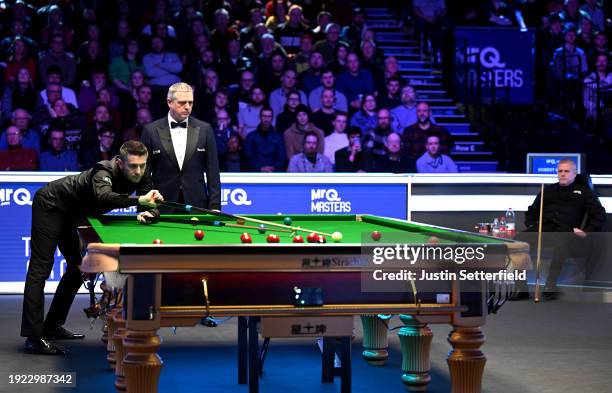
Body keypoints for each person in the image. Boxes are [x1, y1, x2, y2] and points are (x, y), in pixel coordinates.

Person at [21, 141, 163, 355]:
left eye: (142, 166)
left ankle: (52, 326)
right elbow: (103, 197)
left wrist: (150, 212)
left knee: (78, 269)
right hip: (50, 204)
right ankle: (34, 337)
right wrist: (139, 199)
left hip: (72, 212)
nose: (139, 171)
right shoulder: (103, 171)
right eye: (133, 166)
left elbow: (149, 203)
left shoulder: (141, 173)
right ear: (119, 162)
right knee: (40, 269)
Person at [510, 160, 606, 301]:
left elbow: (599, 214)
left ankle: (550, 286)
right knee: (518, 242)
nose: (562, 174)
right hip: (544, 229)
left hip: (567, 231)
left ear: (574, 174)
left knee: (561, 244)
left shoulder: (583, 192)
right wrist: (531, 225)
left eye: (566, 171)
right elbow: (532, 211)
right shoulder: (547, 190)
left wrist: (586, 230)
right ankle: (521, 288)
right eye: (560, 171)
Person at [141, 82, 221, 211]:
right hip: (161, 203)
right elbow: (144, 173)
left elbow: (213, 172)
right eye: (182, 103)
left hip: (197, 203)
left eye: (190, 102)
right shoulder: (150, 130)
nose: (187, 107)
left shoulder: (205, 129)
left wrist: (215, 206)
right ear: (169, 102)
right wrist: (144, 207)